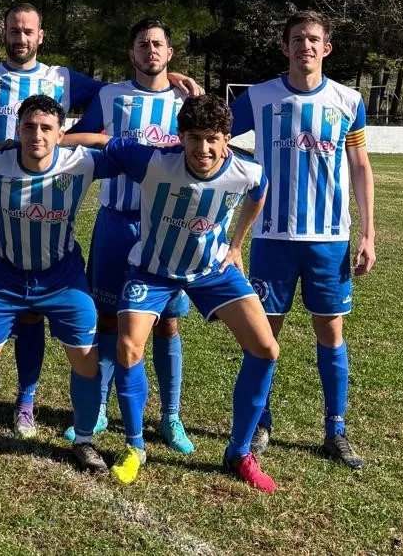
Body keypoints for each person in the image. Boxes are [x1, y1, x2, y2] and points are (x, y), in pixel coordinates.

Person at [0, 3, 201, 439]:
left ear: (42, 35)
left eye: (28, 30)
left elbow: (189, 134)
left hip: (160, 222)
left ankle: (36, 401)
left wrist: (177, 79)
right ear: (4, 32)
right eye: (14, 29)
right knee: (3, 312)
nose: (21, 37)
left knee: (164, 320)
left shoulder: (68, 79)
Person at [87, 94, 280, 492]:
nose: (203, 148)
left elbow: (259, 192)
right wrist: (50, 142)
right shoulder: (154, 161)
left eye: (212, 138)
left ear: (227, 138)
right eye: (194, 137)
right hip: (152, 271)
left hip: (211, 272)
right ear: (181, 137)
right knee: (128, 347)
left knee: (266, 348)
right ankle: (135, 447)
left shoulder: (246, 170)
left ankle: (239, 452)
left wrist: (237, 244)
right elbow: (101, 141)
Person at [0, 95, 116, 473]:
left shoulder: (79, 164)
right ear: (16, 130)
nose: (37, 135)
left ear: (61, 133)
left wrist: (88, 139)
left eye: (47, 128)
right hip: (4, 277)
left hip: (63, 278)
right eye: (29, 127)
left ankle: (83, 439)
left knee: (85, 358)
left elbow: (130, 154)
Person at [229, 10, 376, 470]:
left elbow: (359, 166)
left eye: (314, 40)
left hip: (330, 239)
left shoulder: (348, 100)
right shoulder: (258, 97)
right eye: (297, 39)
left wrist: (368, 232)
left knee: (330, 333)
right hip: (272, 237)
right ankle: (260, 422)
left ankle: (335, 429)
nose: (305, 47)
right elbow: (214, 136)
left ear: (326, 48)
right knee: (263, 335)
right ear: (285, 46)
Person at [63, 18, 193, 453]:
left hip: (167, 225)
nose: (150, 50)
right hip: (116, 221)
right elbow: (80, 139)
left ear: (169, 53)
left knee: (167, 323)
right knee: (107, 318)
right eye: (142, 44)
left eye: (158, 43)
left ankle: (170, 416)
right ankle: (99, 408)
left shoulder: (185, 99)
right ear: (131, 53)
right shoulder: (111, 96)